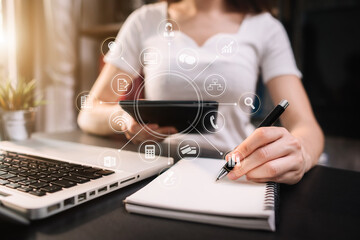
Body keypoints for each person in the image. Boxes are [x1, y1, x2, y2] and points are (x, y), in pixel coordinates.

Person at [78, 0, 324, 185]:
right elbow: (89, 111)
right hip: (155, 173)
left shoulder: (265, 27)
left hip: (235, 174)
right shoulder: (145, 20)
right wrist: (125, 120)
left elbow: (306, 126)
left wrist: (300, 154)